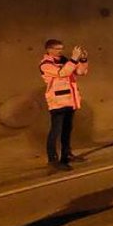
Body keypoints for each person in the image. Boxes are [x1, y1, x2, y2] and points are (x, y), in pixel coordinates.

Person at [39, 39, 89, 171]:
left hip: (70, 100)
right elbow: (63, 73)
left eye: (61, 48)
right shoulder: (46, 64)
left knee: (67, 129)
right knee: (55, 131)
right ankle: (52, 159)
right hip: (57, 102)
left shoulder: (65, 60)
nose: (60, 51)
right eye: (57, 49)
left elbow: (80, 72)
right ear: (49, 49)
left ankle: (66, 154)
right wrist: (73, 59)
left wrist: (83, 60)